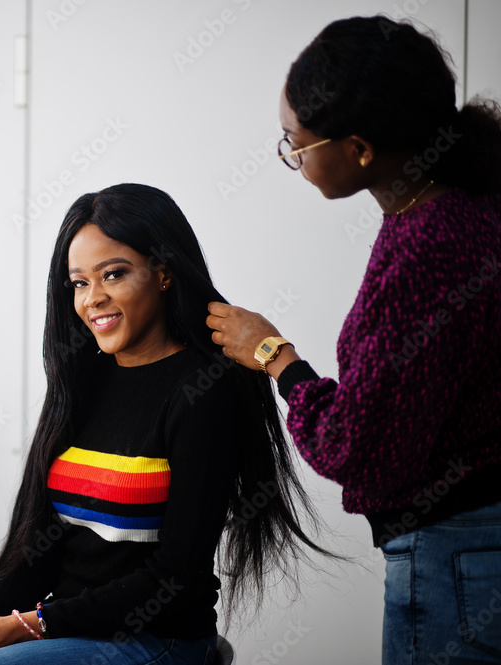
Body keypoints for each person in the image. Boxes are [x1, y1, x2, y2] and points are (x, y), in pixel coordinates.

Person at [0, 183, 333, 665]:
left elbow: (175, 577)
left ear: (163, 273)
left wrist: (27, 625)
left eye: (113, 274)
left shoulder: (203, 391)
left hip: (158, 641)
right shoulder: (83, 382)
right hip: (62, 628)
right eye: (79, 282)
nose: (93, 298)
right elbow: (45, 549)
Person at [206, 16, 501, 665]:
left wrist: (274, 355)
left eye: (296, 143)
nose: (292, 157)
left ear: (360, 149)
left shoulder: (431, 249)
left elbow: (356, 446)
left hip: (459, 557)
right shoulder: (460, 204)